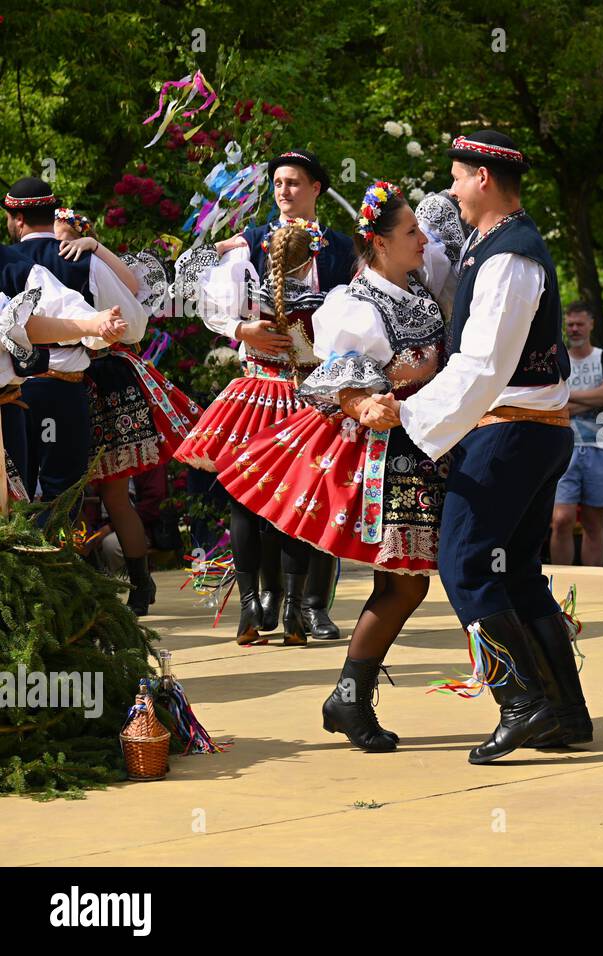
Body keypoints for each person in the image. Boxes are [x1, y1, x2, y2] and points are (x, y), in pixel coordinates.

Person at [375, 130, 590, 761]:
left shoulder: (510, 255)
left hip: (513, 430)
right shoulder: (492, 247)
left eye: (458, 176)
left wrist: (409, 413)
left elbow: (485, 363)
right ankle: (565, 714)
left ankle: (523, 705)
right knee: (515, 572)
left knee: (466, 563)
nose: (452, 189)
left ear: (484, 180)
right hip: (526, 430)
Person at [217, 182, 452, 752]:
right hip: (385, 456)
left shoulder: (418, 290)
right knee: (404, 583)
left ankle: (352, 695)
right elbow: (333, 375)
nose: (423, 241)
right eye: (411, 233)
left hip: (428, 443)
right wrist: (362, 401)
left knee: (414, 584)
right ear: (377, 242)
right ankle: (350, 695)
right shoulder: (354, 304)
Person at [207, 150, 355, 641]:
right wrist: (243, 329)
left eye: (294, 182)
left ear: (317, 188)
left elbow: (361, 311)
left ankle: (309, 605)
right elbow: (211, 298)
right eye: (277, 182)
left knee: (314, 492)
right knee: (248, 494)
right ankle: (262, 603)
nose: (284, 191)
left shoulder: (339, 248)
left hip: (317, 391)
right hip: (260, 389)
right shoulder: (250, 241)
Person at [175, 218, 338, 645]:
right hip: (300, 405)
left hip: (249, 402)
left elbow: (193, 278)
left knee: (243, 503)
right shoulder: (326, 302)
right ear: (312, 258)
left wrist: (241, 331)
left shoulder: (247, 295)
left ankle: (249, 606)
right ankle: (294, 613)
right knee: (294, 508)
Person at [53, 208, 202, 615]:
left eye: (66, 236)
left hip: (103, 378)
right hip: (83, 378)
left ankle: (139, 581)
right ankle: (107, 583)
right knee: (72, 491)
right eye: (56, 236)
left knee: (110, 492)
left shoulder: (91, 265)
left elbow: (133, 314)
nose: (61, 245)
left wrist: (97, 250)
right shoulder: (75, 265)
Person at [4, 177, 146, 517]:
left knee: (16, 496)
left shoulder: (6, 260)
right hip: (61, 390)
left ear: (17, 218)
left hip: (15, 391)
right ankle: (56, 563)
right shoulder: (80, 258)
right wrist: (97, 325)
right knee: (61, 491)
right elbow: (134, 324)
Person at [0, 276, 128, 511]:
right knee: (58, 491)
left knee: (22, 502)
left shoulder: (22, 267)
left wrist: (93, 326)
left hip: (16, 400)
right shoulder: (27, 268)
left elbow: (20, 327)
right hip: (49, 393)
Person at [551, 301, 603, 566]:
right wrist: (595, 398)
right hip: (564, 446)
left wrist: (566, 397)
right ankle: (561, 581)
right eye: (570, 325)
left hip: (600, 446)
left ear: (591, 324)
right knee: (561, 520)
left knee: (594, 522)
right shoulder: (559, 359)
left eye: (580, 324)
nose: (575, 329)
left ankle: (596, 579)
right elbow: (554, 404)